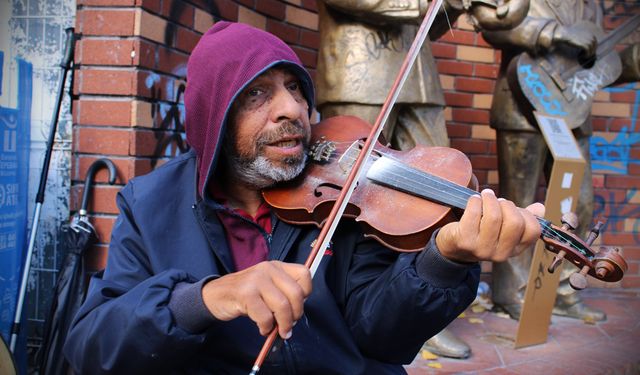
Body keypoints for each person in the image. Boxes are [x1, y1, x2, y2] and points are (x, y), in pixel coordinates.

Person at [63, 22, 544, 374]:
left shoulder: (347, 194)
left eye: (295, 88)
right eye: (258, 94)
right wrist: (205, 299)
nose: (293, 108)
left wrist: (443, 259)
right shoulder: (149, 205)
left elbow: (382, 335)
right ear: (215, 118)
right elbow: (91, 347)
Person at [315, 0, 531, 357]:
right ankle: (343, 309)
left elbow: (427, 25)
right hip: (358, 70)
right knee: (353, 198)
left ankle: (424, 314)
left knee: (438, 196)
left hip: (419, 77)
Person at [481, 0, 640, 321]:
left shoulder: (592, 6)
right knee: (517, 203)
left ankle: (565, 290)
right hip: (521, 106)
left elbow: (596, 66)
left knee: (580, 203)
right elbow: (493, 27)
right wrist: (554, 33)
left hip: (572, 116)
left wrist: (632, 61)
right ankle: (511, 292)